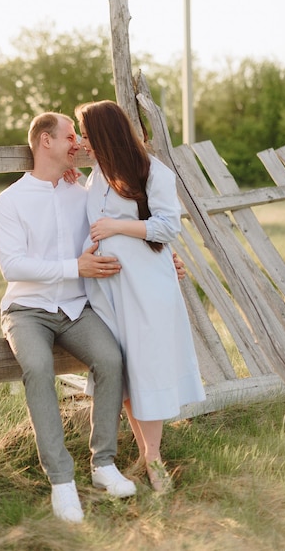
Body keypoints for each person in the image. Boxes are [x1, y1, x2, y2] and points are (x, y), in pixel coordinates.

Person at [0, 112, 137, 525]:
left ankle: (103, 465)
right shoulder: (11, 200)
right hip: (26, 310)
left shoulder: (82, 193)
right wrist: (75, 267)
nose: (77, 144)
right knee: (37, 368)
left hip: (75, 309)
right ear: (44, 142)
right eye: (70, 136)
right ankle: (61, 481)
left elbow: (122, 226)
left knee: (111, 360)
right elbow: (13, 267)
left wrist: (169, 258)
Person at [74, 100, 206, 493]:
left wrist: (117, 226)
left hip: (146, 288)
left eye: (86, 133)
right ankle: (147, 455)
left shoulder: (153, 171)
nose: (83, 141)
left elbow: (167, 227)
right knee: (128, 373)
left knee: (148, 369)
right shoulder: (95, 175)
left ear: (104, 133)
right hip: (109, 291)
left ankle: (154, 460)